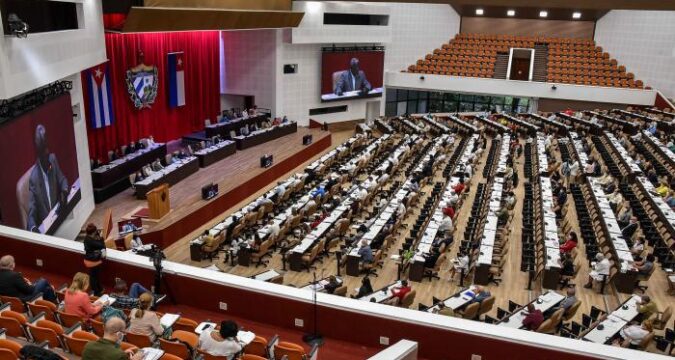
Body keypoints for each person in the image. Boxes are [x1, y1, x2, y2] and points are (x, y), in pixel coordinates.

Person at [27, 124, 70, 232]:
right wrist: (33, 229)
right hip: (48, 229)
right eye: (44, 154)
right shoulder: (34, 178)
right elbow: (31, 213)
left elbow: (63, 180)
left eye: (48, 150)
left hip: (60, 218)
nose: (47, 155)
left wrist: (64, 192)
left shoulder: (52, 159)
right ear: (39, 155)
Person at [83, 223, 105, 296]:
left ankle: (99, 289)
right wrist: (101, 237)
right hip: (93, 260)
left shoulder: (87, 237)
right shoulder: (90, 240)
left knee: (95, 276)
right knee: (94, 277)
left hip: (91, 259)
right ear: (94, 231)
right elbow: (102, 245)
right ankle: (96, 292)